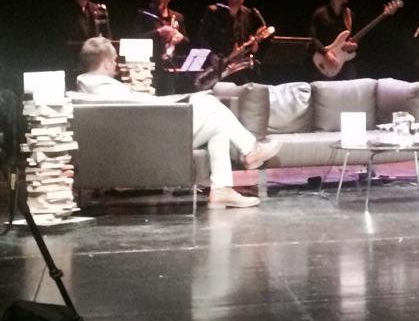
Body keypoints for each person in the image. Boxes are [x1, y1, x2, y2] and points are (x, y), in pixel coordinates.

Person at [74, 37, 280, 208]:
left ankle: (222, 189)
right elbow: (146, 106)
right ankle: (250, 149)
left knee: (218, 128)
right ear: (106, 62)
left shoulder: (88, 87)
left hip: (145, 136)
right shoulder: (105, 88)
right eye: (114, 61)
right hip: (152, 139)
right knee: (208, 102)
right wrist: (182, 99)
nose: (115, 66)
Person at [198, 0, 265, 84]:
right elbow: (202, 37)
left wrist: (253, 43)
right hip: (218, 64)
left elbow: (248, 35)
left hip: (238, 64)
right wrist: (211, 55)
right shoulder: (214, 11)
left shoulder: (246, 12)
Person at [308, 0, 358, 80]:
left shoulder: (349, 14)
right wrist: (326, 53)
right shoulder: (320, 13)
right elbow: (313, 38)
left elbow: (354, 38)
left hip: (344, 64)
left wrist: (354, 46)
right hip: (323, 61)